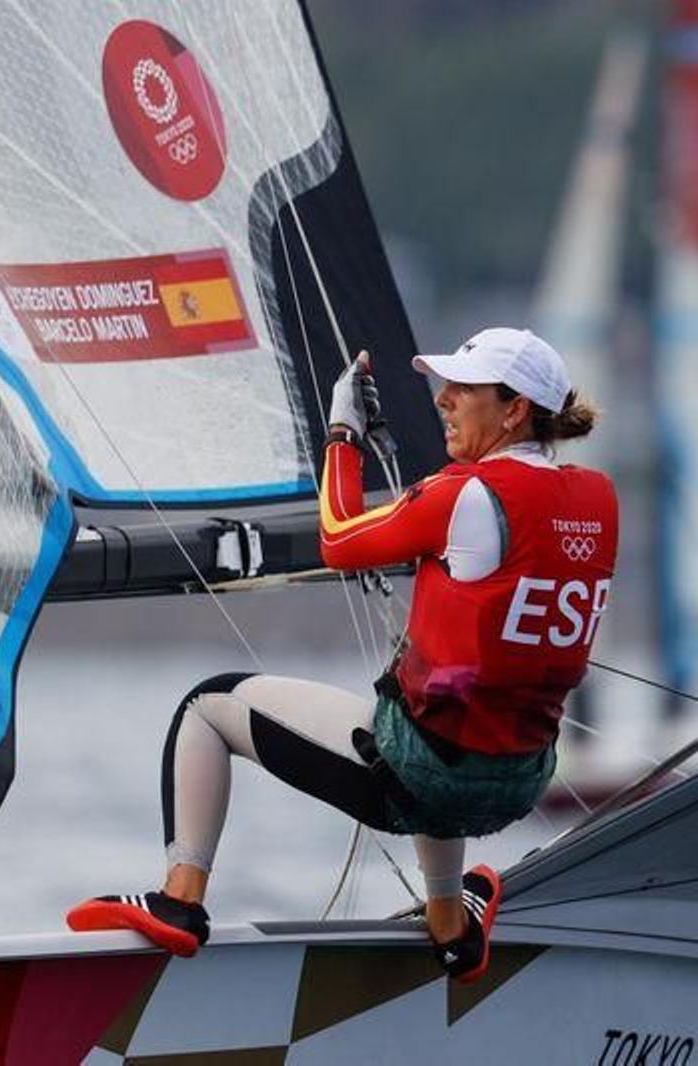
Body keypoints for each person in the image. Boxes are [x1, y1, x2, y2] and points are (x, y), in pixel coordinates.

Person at [67, 328, 618, 983]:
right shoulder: (597, 499)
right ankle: (452, 929)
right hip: (523, 780)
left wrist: (342, 433)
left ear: (515, 408)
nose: (442, 399)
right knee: (454, 712)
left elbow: (337, 537)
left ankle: (180, 901)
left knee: (208, 706)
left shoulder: (464, 495)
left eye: (463, 389)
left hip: (429, 773)